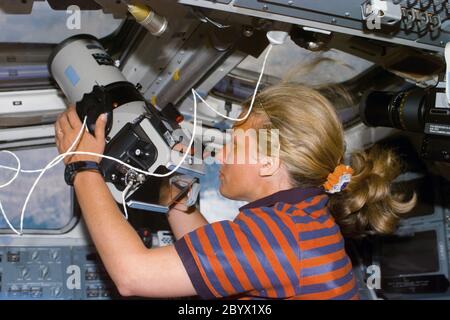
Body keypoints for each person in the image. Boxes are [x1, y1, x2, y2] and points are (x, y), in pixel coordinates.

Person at [54, 83, 416, 299]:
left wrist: (83, 166)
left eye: (234, 144)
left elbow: (133, 276)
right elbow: (217, 257)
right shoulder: (301, 218)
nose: (220, 154)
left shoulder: (281, 235)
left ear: (268, 162)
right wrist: (174, 186)